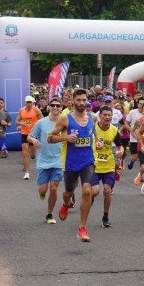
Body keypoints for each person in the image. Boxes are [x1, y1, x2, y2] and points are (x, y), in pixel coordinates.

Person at [48, 89, 96, 242]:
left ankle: (82, 228)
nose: (82, 103)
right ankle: (65, 203)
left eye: (84, 100)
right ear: (73, 101)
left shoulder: (92, 118)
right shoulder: (65, 119)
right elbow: (50, 138)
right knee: (68, 192)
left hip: (88, 161)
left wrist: (99, 141)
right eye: (79, 100)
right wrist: (66, 138)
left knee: (87, 190)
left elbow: (93, 133)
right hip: (71, 163)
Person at [90, 105, 123, 228]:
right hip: (94, 164)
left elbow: (120, 146)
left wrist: (120, 152)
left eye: (109, 115)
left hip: (108, 165)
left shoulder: (114, 130)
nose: (107, 117)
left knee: (107, 191)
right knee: (94, 191)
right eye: (105, 115)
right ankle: (90, 198)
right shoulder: (92, 128)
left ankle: (105, 216)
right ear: (100, 116)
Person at [18, 95, 43, 180]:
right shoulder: (21, 110)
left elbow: (42, 120)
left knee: (33, 154)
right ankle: (27, 172)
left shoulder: (36, 110)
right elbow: (17, 121)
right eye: (28, 102)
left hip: (33, 134)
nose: (29, 104)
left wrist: (38, 127)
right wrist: (22, 123)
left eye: (30, 102)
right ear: (25, 102)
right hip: (24, 133)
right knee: (24, 151)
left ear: (33, 103)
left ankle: (33, 156)